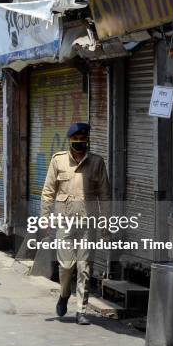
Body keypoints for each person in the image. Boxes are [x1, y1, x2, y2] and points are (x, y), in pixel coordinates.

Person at [40, 123, 110, 325]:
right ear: (70, 140)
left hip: (88, 224)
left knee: (84, 267)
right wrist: (44, 217)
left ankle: (81, 310)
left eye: (83, 139)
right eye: (76, 140)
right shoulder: (58, 160)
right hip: (64, 223)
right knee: (66, 266)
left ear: (87, 140)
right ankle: (64, 293)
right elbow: (48, 192)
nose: (80, 143)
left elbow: (105, 195)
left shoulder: (97, 162)